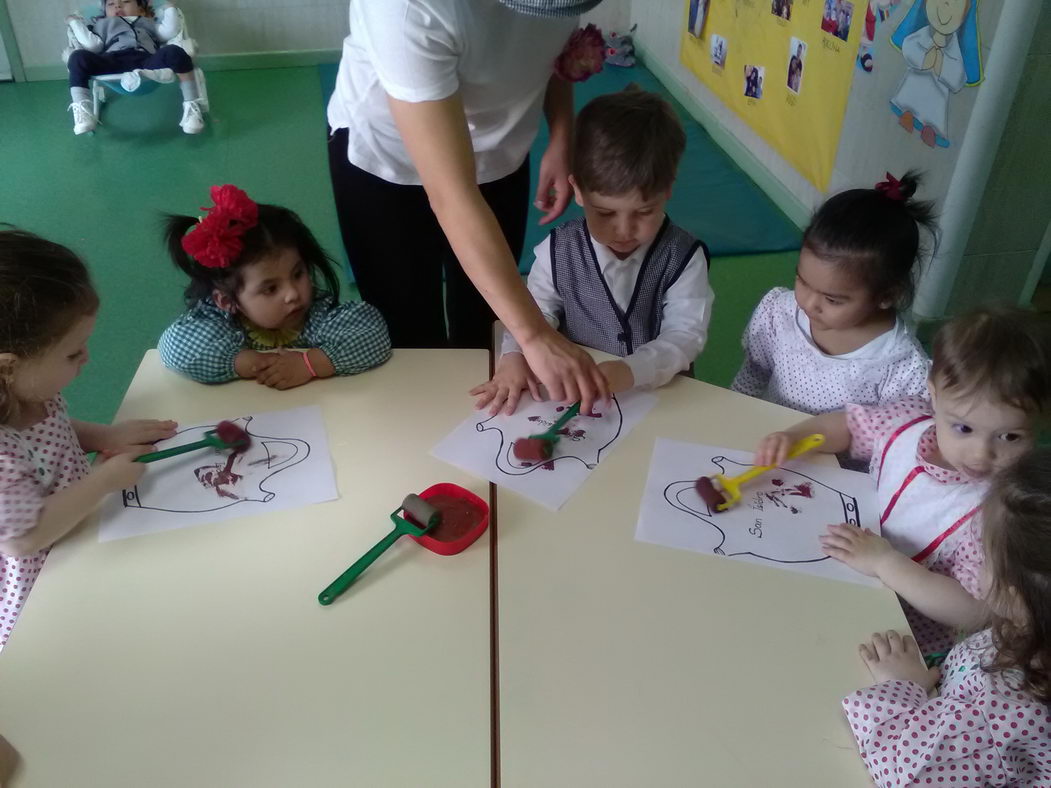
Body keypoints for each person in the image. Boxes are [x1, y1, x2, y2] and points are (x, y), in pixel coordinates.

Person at [325, 0, 610, 415]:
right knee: (408, 329)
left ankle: (478, 433)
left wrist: (561, 132)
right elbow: (451, 193)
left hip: (499, 150)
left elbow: (549, 47)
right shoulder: (405, 8)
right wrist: (535, 336)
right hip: (388, 162)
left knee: (487, 320)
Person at [758, 306, 1051, 657]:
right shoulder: (907, 421)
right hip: (831, 573)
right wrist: (799, 436)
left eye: (1009, 437)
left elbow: (974, 611)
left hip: (894, 635)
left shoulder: (1004, 513)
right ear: (934, 394)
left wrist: (887, 564)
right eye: (963, 428)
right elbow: (849, 428)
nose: (980, 454)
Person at [472, 88, 713, 415]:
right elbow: (536, 311)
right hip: (575, 396)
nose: (624, 231)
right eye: (606, 213)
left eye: (644, 212)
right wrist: (514, 358)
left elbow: (686, 335)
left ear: (667, 190)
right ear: (578, 191)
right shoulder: (556, 252)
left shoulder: (684, 257)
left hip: (661, 397)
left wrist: (630, 371)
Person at [0, 228, 176, 646]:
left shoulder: (32, 392)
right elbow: (24, 538)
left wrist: (103, 435)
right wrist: (103, 481)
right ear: (8, 367)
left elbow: (55, 431)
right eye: (73, 353)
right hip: (45, 590)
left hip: (86, 535)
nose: (87, 358)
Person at [842, 447, 1051, 785]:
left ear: (1014, 593)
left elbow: (900, 772)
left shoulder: (1001, 708)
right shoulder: (1027, 634)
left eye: (983, 555)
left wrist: (903, 689)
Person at [731, 172, 933, 420]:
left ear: (887, 294)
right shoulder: (779, 314)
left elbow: (895, 440)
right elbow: (753, 372)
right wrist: (733, 418)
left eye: (832, 300)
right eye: (802, 281)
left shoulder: (901, 367)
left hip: (834, 460)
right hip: (766, 446)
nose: (808, 303)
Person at [159, 185, 391, 389]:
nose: (293, 294)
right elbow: (174, 349)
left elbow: (373, 334)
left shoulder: (318, 316)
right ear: (227, 302)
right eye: (270, 289)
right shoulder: (218, 322)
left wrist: (309, 364)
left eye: (298, 273)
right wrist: (247, 362)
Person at [65, 0, 204, 135]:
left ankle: (191, 105)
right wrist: (74, 22)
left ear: (140, 9)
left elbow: (169, 32)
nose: (118, 5)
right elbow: (92, 45)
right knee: (77, 57)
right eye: (111, 4)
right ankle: (82, 109)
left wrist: (170, 7)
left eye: (126, 1)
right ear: (105, 11)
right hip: (112, 61)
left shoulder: (147, 22)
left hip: (146, 60)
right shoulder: (102, 24)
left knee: (175, 51)